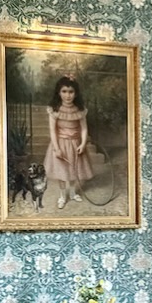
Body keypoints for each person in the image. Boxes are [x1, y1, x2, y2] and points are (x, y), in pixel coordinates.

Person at [43, 75, 93, 209]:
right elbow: (53, 130)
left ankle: (72, 193)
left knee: (74, 169)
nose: (67, 95)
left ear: (75, 94)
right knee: (62, 171)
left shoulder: (80, 109)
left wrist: (83, 143)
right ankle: (62, 196)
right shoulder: (54, 109)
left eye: (71, 92)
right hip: (60, 143)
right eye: (64, 91)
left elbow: (84, 128)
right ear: (59, 93)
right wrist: (57, 148)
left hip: (75, 143)